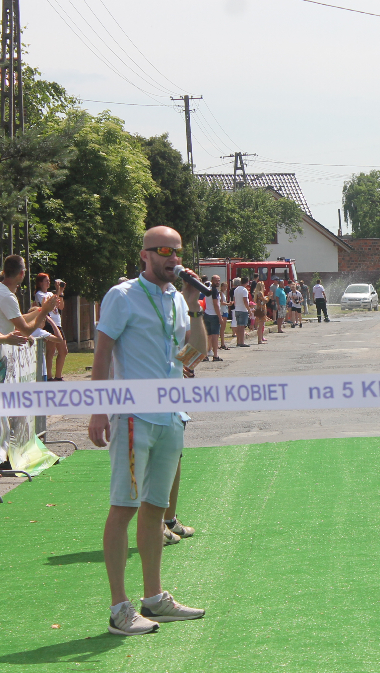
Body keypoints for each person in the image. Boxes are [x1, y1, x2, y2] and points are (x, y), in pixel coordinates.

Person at [88, 226, 207, 636]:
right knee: (124, 507)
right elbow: (102, 353)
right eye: (163, 251)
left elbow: (194, 356)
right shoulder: (122, 295)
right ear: (144, 255)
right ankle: (119, 609)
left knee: (156, 508)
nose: (173, 258)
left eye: (177, 251)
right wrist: (98, 410)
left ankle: (154, 597)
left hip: (170, 417)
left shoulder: (176, 299)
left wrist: (193, 305)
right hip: (133, 417)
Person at [0, 255, 48, 346]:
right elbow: (26, 330)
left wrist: (41, 309)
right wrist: (44, 311)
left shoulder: (3, 292)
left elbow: (17, 319)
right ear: (22, 273)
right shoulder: (7, 296)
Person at [34, 273, 68, 380]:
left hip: (57, 323)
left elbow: (60, 306)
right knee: (51, 351)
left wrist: (60, 292)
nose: (49, 283)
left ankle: (58, 376)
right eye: (46, 281)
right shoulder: (39, 294)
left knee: (63, 351)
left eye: (49, 281)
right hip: (49, 323)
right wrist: (57, 291)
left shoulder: (50, 293)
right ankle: (49, 377)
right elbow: (51, 304)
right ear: (40, 283)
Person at [203, 274, 223, 361]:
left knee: (208, 336)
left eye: (218, 280)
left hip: (207, 313)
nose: (218, 282)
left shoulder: (207, 289)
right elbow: (216, 304)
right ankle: (215, 355)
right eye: (216, 280)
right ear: (212, 281)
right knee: (215, 336)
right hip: (214, 315)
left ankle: (205, 355)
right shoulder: (214, 291)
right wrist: (220, 317)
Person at [233, 277, 251, 348]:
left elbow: (234, 299)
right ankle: (242, 342)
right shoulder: (244, 290)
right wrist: (249, 310)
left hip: (237, 309)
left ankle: (238, 341)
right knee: (242, 326)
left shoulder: (236, 289)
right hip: (243, 310)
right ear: (247, 282)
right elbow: (245, 300)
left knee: (238, 326)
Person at [218, 281, 230, 351]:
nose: (225, 288)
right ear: (221, 287)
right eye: (224, 286)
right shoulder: (220, 293)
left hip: (225, 311)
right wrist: (229, 304)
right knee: (222, 328)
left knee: (223, 328)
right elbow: (221, 302)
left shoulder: (223, 294)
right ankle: (222, 343)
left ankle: (222, 343)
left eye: (226, 286)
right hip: (222, 311)